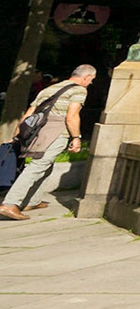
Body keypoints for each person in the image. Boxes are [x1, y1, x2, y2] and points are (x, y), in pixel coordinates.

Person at [0, 65, 95, 221]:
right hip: (56, 133)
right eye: (91, 80)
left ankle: (32, 201)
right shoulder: (78, 90)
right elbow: (71, 116)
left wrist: (17, 136)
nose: (90, 83)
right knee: (38, 166)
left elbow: (29, 114)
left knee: (46, 166)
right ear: (86, 77)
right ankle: (10, 204)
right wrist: (76, 137)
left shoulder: (49, 89)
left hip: (37, 133)